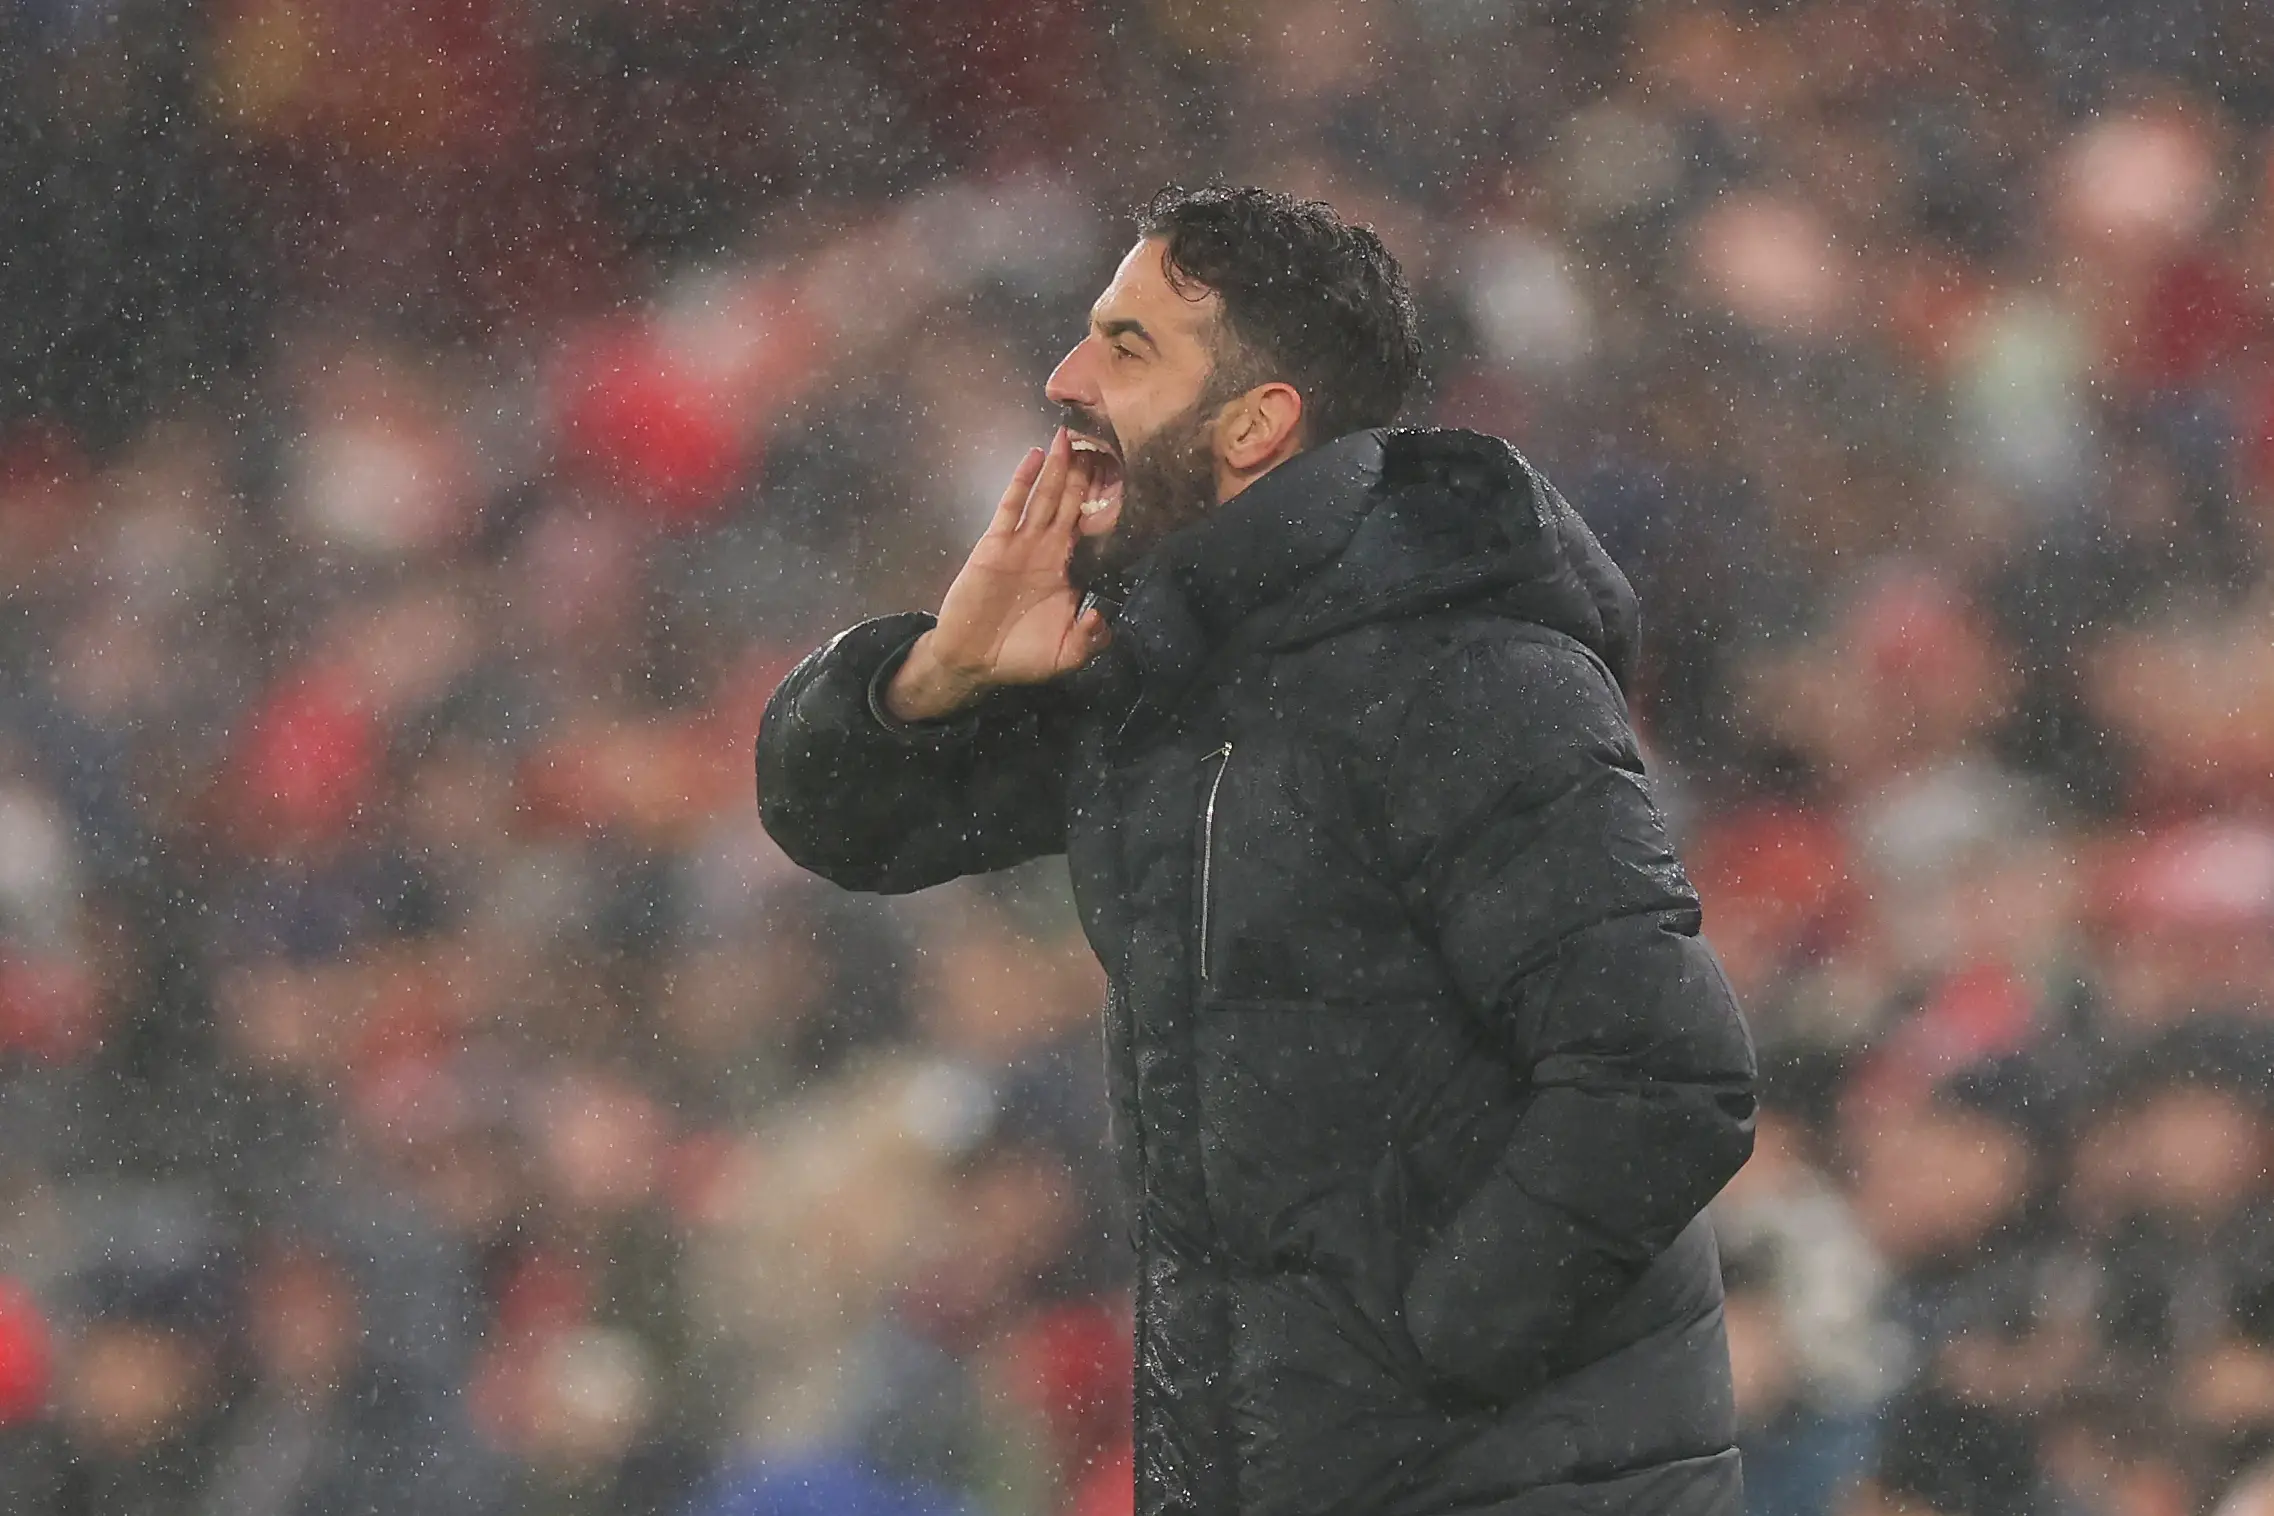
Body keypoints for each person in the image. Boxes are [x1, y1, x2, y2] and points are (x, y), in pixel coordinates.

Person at [756, 185, 1758, 1516]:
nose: (1062, 380)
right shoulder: (1159, 672)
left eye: (1124, 347)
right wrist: (936, 668)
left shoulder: (1470, 672)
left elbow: (1661, 1075)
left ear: (1255, 421)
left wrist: (1431, 1352)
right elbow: (843, 823)